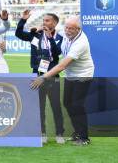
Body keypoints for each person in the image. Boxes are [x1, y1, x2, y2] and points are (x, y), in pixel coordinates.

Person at [31, 16, 94, 146]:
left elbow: (62, 66)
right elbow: (50, 28)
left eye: (71, 28)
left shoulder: (81, 43)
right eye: (66, 28)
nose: (67, 31)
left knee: (77, 105)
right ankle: (77, 133)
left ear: (78, 29)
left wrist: (43, 77)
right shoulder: (65, 33)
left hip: (83, 75)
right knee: (67, 103)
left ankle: (84, 137)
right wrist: (39, 29)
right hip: (70, 75)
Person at [16, 10, 64, 143]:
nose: (44, 22)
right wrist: (23, 20)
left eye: (47, 20)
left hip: (52, 75)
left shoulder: (60, 38)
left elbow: (56, 53)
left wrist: (49, 38)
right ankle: (42, 133)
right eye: (44, 20)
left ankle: (59, 133)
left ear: (55, 23)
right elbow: (18, 34)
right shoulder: (36, 35)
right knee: (39, 106)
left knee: (55, 105)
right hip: (36, 74)